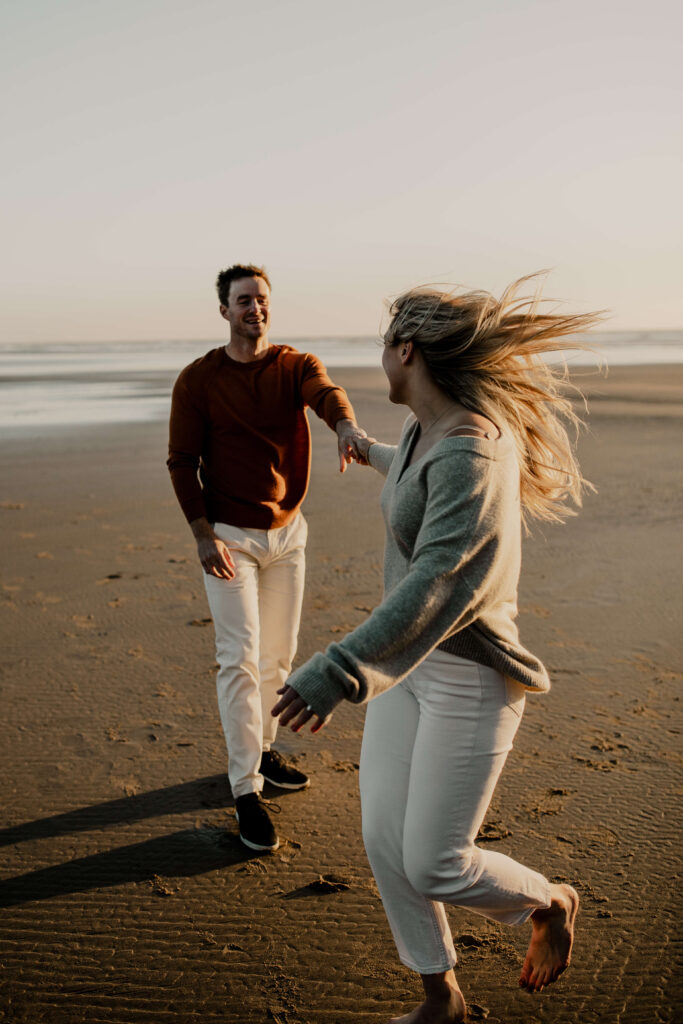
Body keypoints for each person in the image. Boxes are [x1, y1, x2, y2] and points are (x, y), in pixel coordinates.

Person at [273, 275, 602, 1022]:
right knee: (385, 839)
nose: (379, 357)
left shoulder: (472, 453)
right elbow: (419, 472)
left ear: (406, 351)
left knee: (434, 861)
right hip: (410, 670)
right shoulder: (429, 428)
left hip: (470, 678)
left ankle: (549, 901)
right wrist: (368, 449)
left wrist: (337, 670)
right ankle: (439, 997)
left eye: (384, 344)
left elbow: (436, 579)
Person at [167, 263, 366, 854]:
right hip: (230, 537)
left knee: (279, 657)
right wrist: (204, 535)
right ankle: (244, 788)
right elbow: (182, 462)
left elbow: (325, 395)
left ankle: (263, 747)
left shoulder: (294, 366)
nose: (254, 308)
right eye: (242, 300)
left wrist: (345, 426)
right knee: (240, 659)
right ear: (224, 310)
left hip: (288, 535)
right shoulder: (198, 380)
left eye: (261, 299)